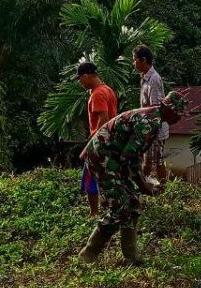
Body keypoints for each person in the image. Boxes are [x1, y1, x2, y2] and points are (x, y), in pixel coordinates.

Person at [78, 91, 188, 266]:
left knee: (133, 202)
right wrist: (142, 184)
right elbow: (129, 156)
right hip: (103, 156)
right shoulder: (149, 122)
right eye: (178, 114)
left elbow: (131, 155)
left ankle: (131, 256)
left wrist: (140, 181)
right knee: (120, 206)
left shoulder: (155, 118)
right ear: (168, 109)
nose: (179, 119)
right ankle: (88, 255)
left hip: (115, 157)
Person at [77, 62, 118, 218]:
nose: (80, 83)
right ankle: (109, 210)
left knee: (89, 179)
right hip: (109, 140)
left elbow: (104, 118)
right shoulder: (107, 90)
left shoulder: (97, 93)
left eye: (80, 79)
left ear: (86, 76)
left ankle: (94, 213)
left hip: (99, 142)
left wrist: (94, 140)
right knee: (106, 177)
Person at [132, 45, 170, 187]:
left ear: (143, 60)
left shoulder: (154, 79)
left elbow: (156, 109)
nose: (133, 63)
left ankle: (162, 189)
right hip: (147, 127)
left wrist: (150, 132)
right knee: (147, 160)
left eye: (135, 60)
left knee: (157, 161)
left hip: (155, 127)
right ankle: (147, 187)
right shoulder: (145, 78)